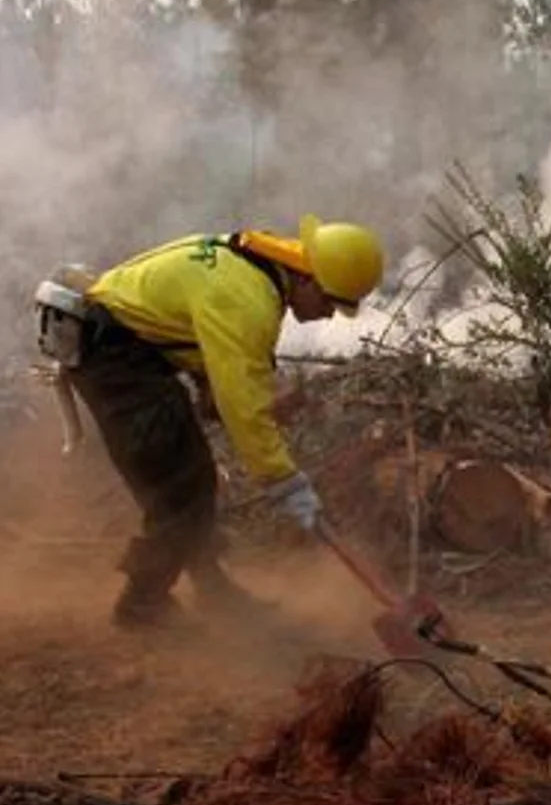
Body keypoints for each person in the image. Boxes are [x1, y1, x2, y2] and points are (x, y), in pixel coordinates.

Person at [47, 215, 385, 630]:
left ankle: (214, 595)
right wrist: (286, 482)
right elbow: (242, 410)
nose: (330, 316)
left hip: (128, 352)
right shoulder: (247, 299)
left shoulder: (249, 263)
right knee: (183, 492)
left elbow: (201, 343)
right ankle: (140, 607)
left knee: (192, 484)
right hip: (117, 360)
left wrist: (234, 396)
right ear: (308, 279)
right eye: (331, 303)